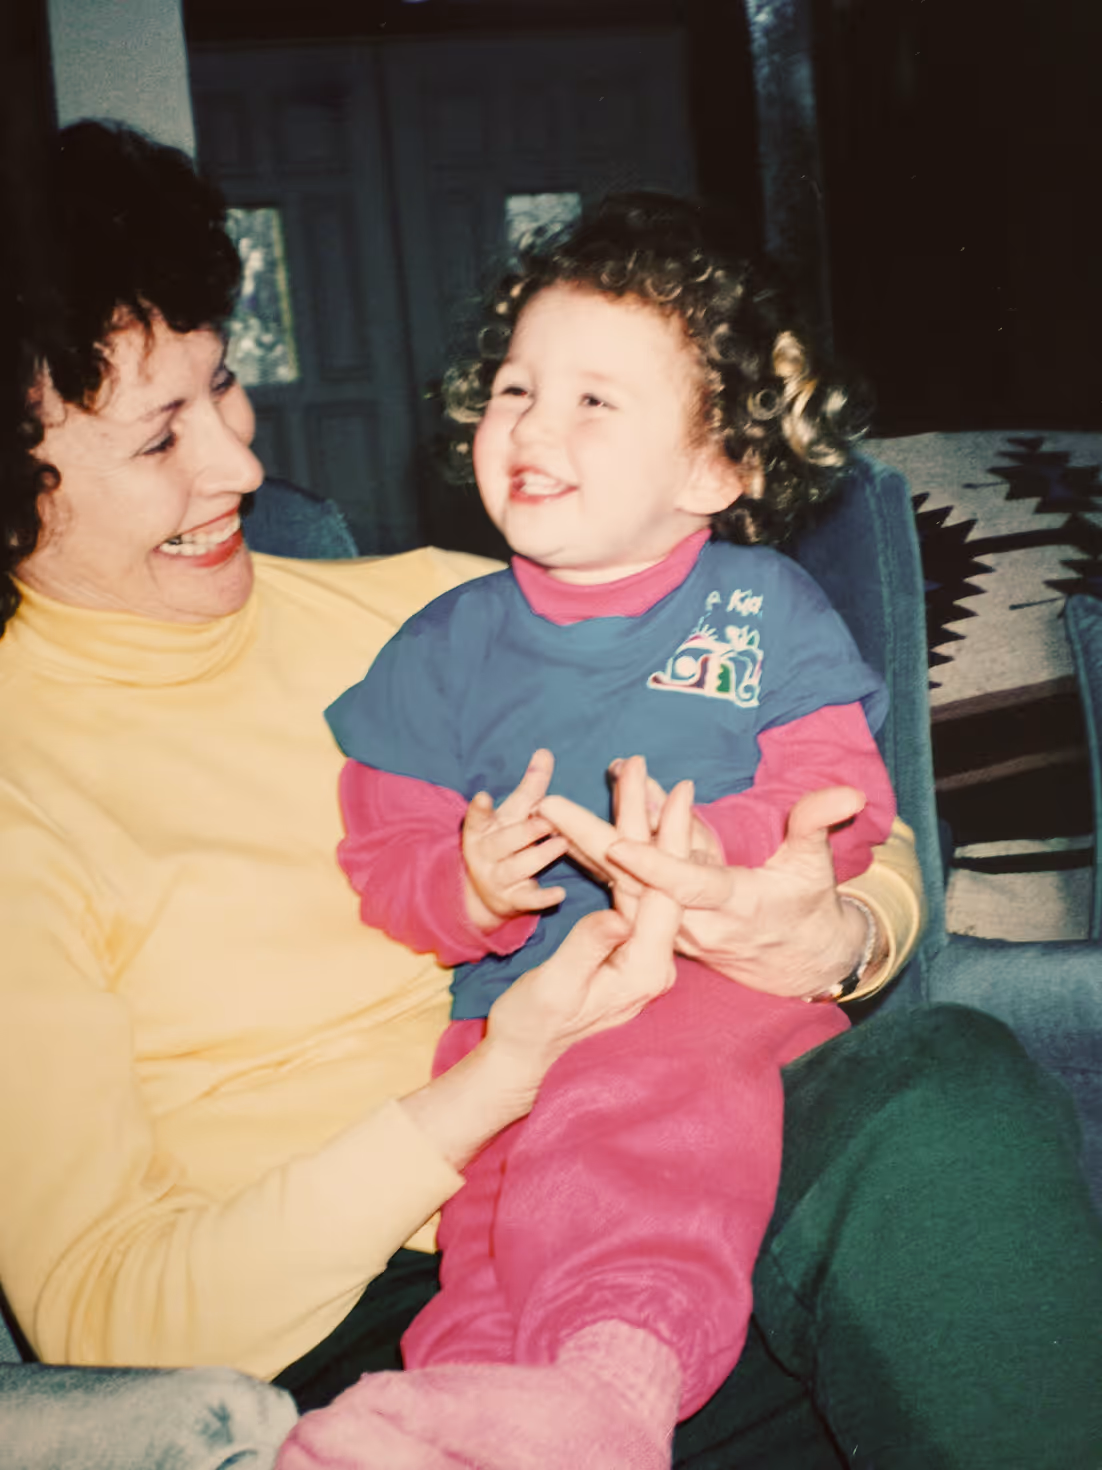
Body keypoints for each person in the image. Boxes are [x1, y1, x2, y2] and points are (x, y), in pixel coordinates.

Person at [0, 120, 1099, 1470]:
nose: (238, 464)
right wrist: (502, 1072)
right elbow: (103, 1313)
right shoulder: (18, 787)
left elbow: (848, 823)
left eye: (222, 386)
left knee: (944, 1091)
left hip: (695, 1146)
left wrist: (830, 929)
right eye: (160, 434)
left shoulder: (435, 608)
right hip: (375, 1307)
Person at [305, 194, 897, 1467]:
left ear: (716, 466)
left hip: (706, 990)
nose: (531, 425)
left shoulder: (765, 609)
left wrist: (719, 862)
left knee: (625, 1137)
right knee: (494, 1220)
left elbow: (843, 801)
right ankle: (451, 1424)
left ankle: (611, 1394)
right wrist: (464, 884)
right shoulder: (438, 646)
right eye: (515, 389)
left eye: (593, 400)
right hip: (514, 1018)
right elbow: (381, 861)